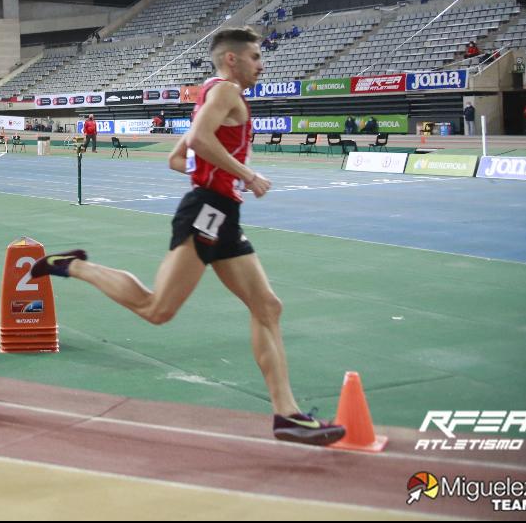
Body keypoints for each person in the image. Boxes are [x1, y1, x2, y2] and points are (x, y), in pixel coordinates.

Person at [31, 27, 346, 446]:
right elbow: (196, 141)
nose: (261, 63)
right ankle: (73, 265)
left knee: (267, 306)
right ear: (231, 59)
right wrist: (245, 175)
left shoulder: (215, 96)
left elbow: (179, 158)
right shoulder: (226, 92)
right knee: (156, 309)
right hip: (208, 213)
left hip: (222, 213)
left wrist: (219, 175)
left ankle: (287, 415)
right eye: (254, 56)